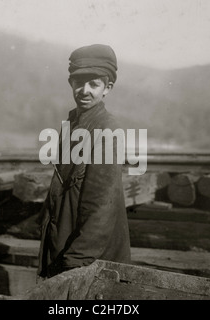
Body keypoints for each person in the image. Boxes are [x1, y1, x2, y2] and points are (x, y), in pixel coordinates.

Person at [37, 44, 131, 279]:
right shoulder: (71, 126)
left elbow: (101, 206)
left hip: (88, 260)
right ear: (71, 83)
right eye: (79, 82)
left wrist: (74, 263)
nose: (84, 90)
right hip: (65, 248)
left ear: (107, 88)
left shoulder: (107, 130)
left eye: (94, 84)